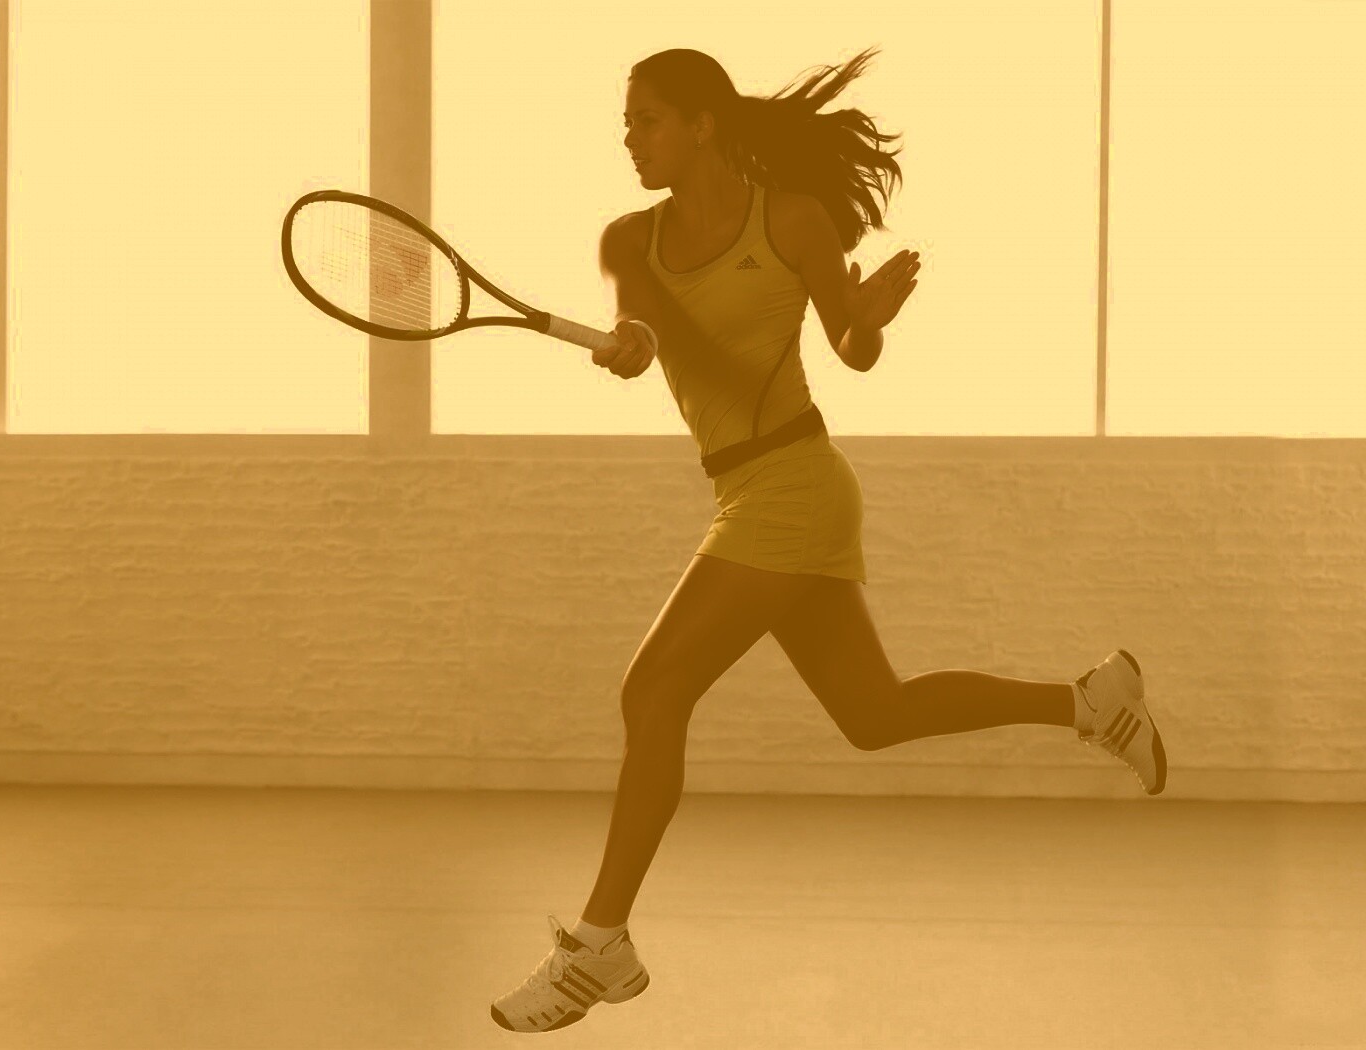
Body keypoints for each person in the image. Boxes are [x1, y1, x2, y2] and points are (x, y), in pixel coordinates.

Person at [490, 47, 1166, 1034]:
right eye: (627, 122)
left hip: (795, 485)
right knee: (875, 714)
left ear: (703, 125)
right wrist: (632, 342)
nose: (629, 138)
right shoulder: (627, 240)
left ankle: (599, 941)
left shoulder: (792, 220)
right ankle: (1088, 700)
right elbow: (647, 328)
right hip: (745, 490)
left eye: (647, 119)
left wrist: (868, 319)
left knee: (652, 691)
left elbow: (850, 349)